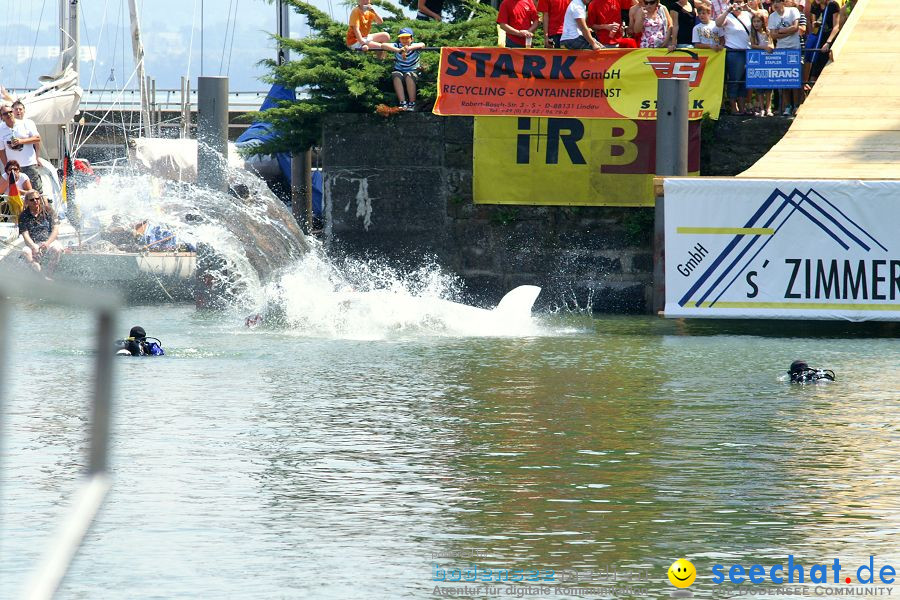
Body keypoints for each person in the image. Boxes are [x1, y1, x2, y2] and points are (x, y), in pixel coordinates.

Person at [768, 0, 805, 115]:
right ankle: (788, 106)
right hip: (781, 50)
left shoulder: (793, 11)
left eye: (777, 1)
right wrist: (788, 32)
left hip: (794, 49)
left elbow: (795, 28)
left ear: (782, 2)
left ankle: (796, 106)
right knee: (784, 80)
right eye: (773, 2)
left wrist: (780, 31)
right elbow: (773, 35)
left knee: (795, 80)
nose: (775, 4)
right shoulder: (772, 17)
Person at [716, 1, 753, 115]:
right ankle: (733, 107)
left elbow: (763, 18)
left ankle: (742, 107)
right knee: (734, 80)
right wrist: (728, 10)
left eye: (740, 2)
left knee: (744, 81)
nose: (738, 5)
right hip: (734, 51)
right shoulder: (728, 16)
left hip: (747, 51)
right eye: (736, 2)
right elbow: (718, 23)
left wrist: (749, 9)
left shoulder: (747, 14)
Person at [0, 103, 43, 193]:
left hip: (29, 164)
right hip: (13, 168)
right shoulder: (1, 129)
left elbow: (37, 138)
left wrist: (21, 141)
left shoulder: (26, 123)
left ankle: (45, 206)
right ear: (1, 117)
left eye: (10, 112)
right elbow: (2, 151)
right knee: (13, 193)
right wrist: (6, 167)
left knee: (37, 192)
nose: (8, 114)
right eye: (5, 113)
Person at [18, 190, 62, 275]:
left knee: (57, 249)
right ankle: (40, 275)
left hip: (49, 241)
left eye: (37, 198)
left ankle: (49, 274)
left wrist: (47, 243)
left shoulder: (49, 210)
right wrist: (33, 246)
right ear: (27, 202)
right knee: (26, 252)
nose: (35, 201)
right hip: (33, 243)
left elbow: (55, 229)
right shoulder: (23, 216)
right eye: (32, 200)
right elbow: (25, 234)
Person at [384, 28, 424, 110]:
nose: (405, 40)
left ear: (411, 39)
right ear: (399, 39)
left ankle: (412, 103)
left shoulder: (413, 46)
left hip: (413, 71)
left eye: (407, 38)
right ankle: (402, 103)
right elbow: (383, 45)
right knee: (395, 74)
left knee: (409, 75)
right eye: (402, 38)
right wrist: (399, 50)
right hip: (400, 70)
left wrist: (408, 48)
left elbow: (422, 44)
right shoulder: (397, 46)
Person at [749, 13, 774, 116]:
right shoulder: (753, 34)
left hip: (768, 60)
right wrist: (764, 48)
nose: (756, 24)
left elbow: (771, 43)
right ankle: (761, 108)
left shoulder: (767, 32)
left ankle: (768, 108)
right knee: (759, 86)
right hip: (758, 61)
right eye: (754, 21)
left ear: (763, 22)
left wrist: (770, 47)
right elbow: (753, 45)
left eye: (758, 21)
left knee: (769, 86)